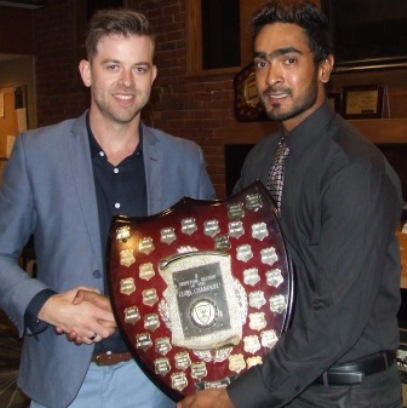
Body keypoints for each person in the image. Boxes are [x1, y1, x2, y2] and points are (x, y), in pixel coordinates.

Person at [178, 1, 403, 407]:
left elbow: (335, 319)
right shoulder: (262, 159)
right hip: (279, 382)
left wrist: (238, 397)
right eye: (262, 63)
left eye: (289, 59)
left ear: (324, 67)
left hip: (346, 394)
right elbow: (234, 267)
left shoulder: (354, 170)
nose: (272, 77)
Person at [0, 8, 215, 408]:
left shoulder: (185, 159)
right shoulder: (36, 154)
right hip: (63, 381)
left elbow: (205, 268)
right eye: (112, 66)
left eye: (139, 68)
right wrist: (47, 305)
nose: (126, 83)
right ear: (87, 72)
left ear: (152, 76)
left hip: (155, 379)